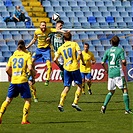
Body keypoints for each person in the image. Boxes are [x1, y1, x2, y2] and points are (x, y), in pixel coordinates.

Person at [0, 40, 35, 124]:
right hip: (22, 80)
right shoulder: (27, 56)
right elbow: (30, 68)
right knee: (27, 100)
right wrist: (33, 76)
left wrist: (12, 76)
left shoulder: (12, 57)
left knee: (8, 100)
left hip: (14, 81)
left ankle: (0, 117)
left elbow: (7, 69)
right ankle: (24, 120)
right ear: (24, 46)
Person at [54, 32, 85, 112]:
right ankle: (75, 102)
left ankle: (60, 104)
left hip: (66, 69)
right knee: (79, 86)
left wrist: (60, 66)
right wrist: (83, 61)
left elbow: (54, 59)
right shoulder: (74, 44)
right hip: (74, 68)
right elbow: (80, 53)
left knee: (67, 87)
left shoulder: (61, 47)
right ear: (71, 38)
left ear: (64, 39)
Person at [100, 36, 132, 114]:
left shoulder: (108, 51)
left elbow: (102, 62)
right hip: (118, 72)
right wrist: (124, 63)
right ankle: (127, 110)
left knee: (111, 91)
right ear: (118, 42)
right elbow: (123, 61)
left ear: (111, 42)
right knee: (124, 90)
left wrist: (106, 70)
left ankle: (104, 106)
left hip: (111, 73)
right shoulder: (120, 50)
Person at [26, 21, 64, 86]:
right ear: (40, 26)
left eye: (44, 25)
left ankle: (47, 79)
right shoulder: (37, 32)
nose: (44, 27)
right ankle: (29, 74)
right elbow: (34, 40)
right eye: (42, 25)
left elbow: (57, 30)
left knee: (49, 65)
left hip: (46, 50)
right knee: (31, 62)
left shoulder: (49, 30)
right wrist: (28, 46)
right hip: (38, 50)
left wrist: (65, 32)